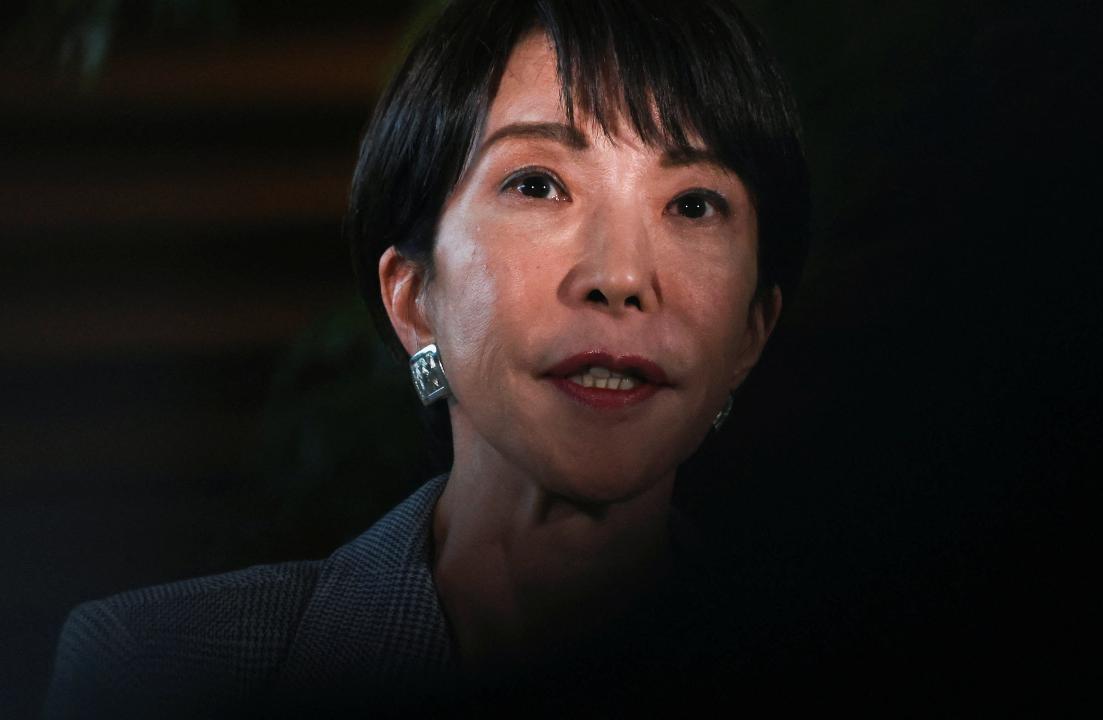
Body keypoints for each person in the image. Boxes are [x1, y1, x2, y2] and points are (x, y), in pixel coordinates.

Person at [43, 0, 809, 715]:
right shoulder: (157, 670)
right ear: (413, 298)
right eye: (539, 185)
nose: (620, 276)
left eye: (693, 205)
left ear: (751, 331)